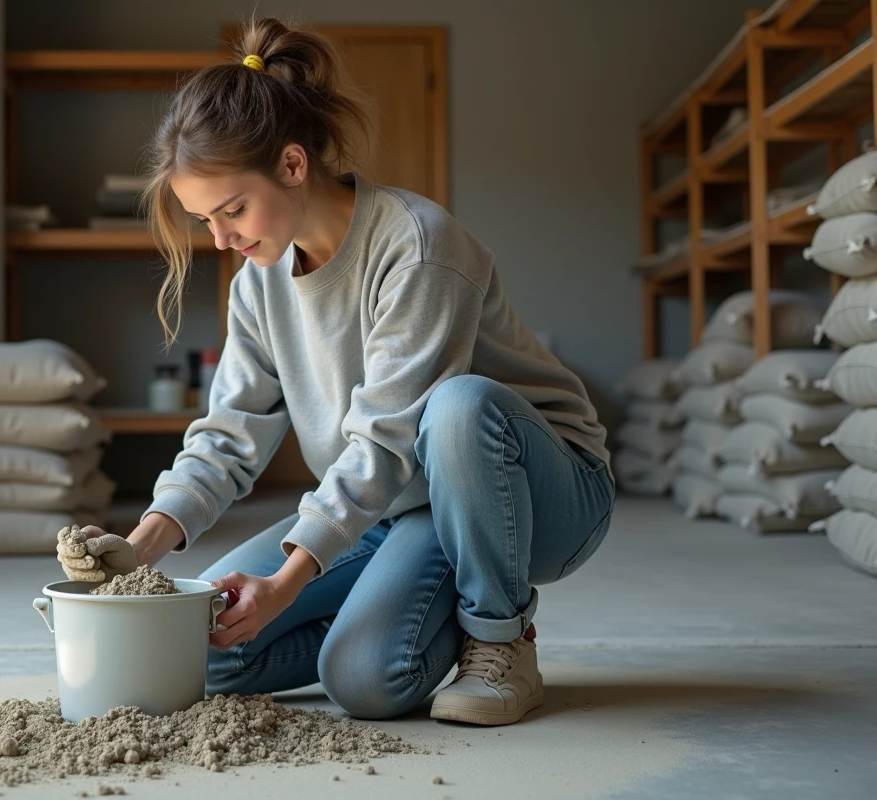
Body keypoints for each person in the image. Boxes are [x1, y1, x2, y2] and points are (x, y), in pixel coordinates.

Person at [77, 16, 615, 726]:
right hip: (394, 507)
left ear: (294, 165)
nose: (222, 239)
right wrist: (140, 547)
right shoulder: (258, 283)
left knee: (453, 412)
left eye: (232, 210)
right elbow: (229, 435)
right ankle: (401, 613)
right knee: (204, 645)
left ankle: (500, 637)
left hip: (538, 493)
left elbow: (388, 438)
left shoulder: (417, 245)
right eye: (205, 220)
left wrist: (290, 582)